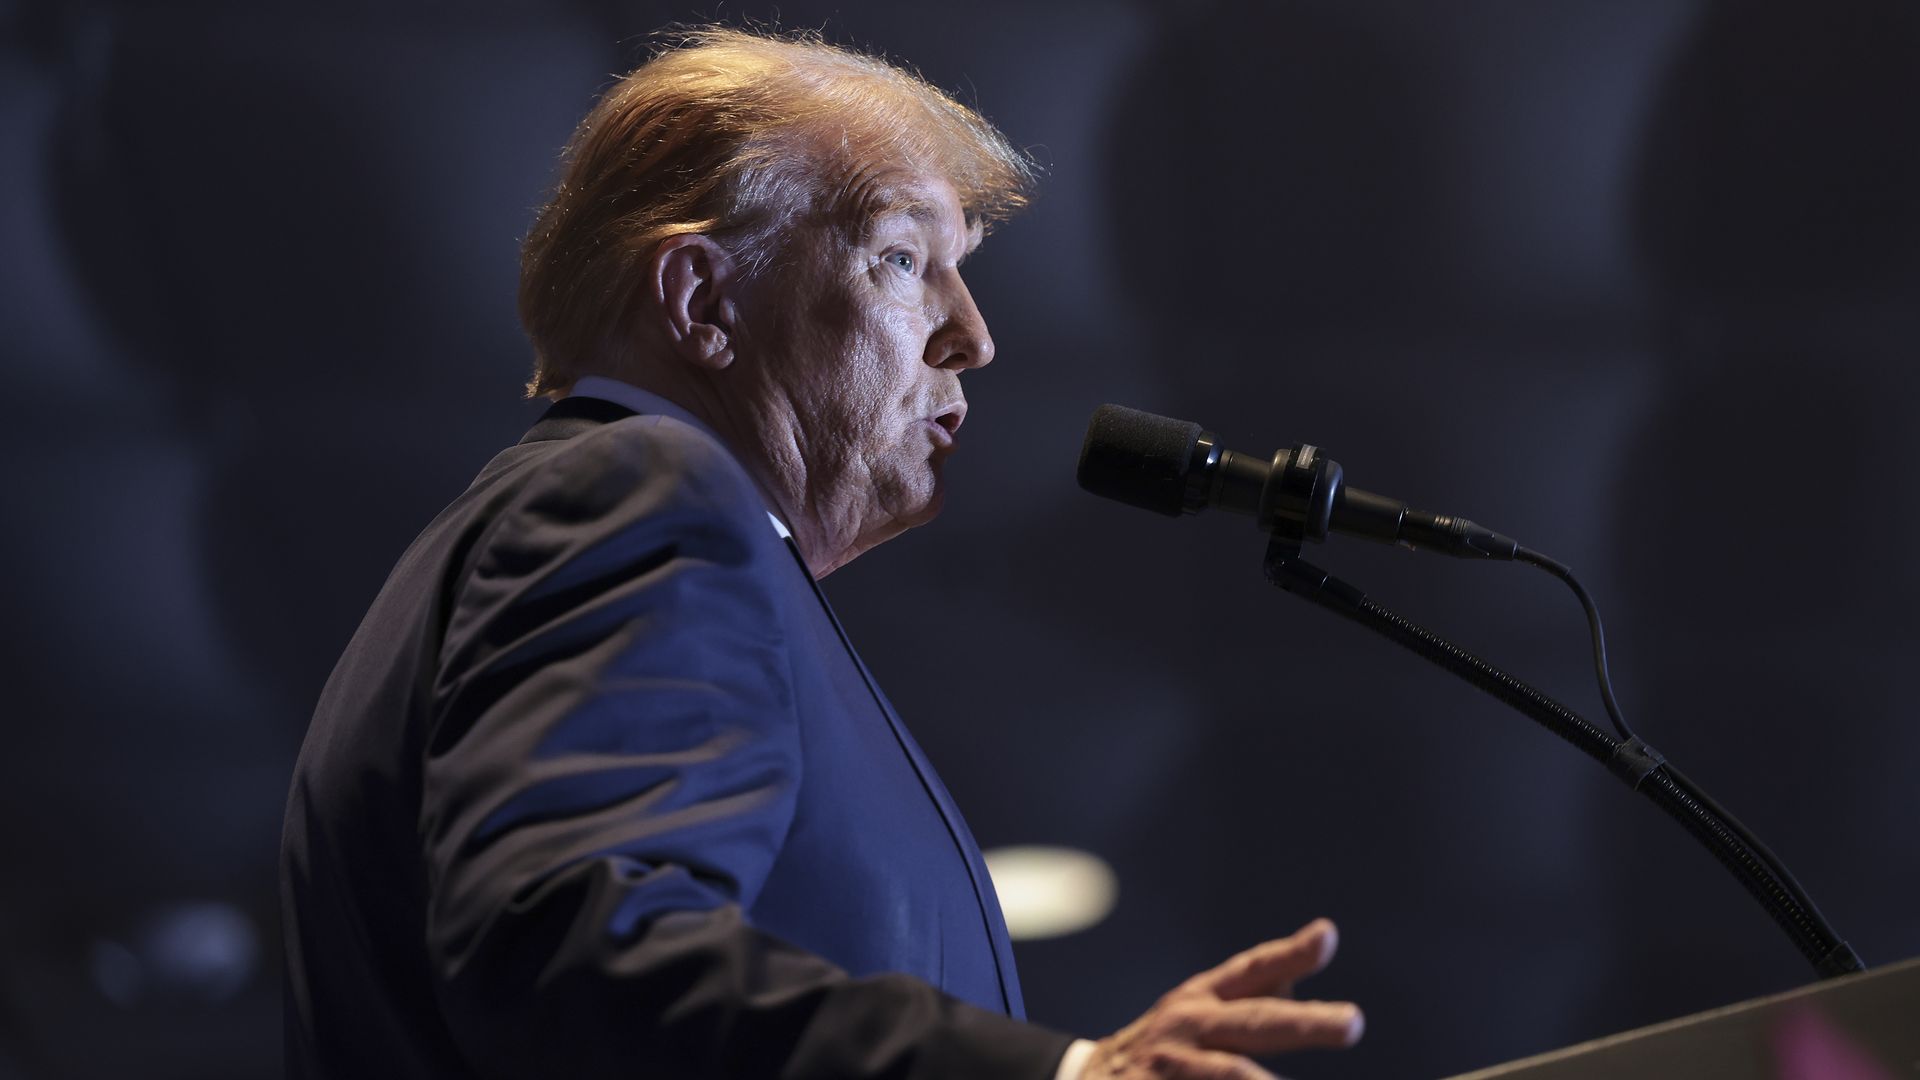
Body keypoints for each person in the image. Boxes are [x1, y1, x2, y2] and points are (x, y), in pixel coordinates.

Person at [280, 26, 1364, 1080]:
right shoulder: (637, 491)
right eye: (904, 258)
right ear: (704, 302)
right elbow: (577, 954)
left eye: (962, 268)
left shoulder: (593, 531)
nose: (974, 337)